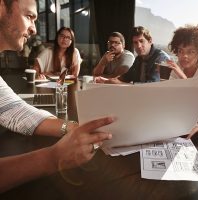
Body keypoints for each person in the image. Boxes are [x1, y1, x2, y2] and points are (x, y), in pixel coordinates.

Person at [0, 0, 115, 192]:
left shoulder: (74, 54)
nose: (34, 29)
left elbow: (13, 110)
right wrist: (53, 157)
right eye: (29, 16)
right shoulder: (48, 52)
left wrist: (73, 128)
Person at [94, 26, 170, 84]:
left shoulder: (160, 58)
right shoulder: (139, 59)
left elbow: (152, 86)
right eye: (135, 42)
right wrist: (106, 81)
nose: (139, 46)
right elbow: (125, 78)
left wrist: (121, 83)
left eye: (141, 41)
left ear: (150, 41)